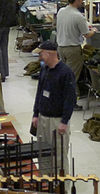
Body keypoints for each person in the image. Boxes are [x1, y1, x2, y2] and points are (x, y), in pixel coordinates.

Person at [32, 41, 77, 174]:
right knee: (43, 154)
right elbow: (39, 93)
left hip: (57, 121)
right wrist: (35, 114)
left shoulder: (66, 72)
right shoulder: (44, 69)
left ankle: (62, 185)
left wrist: (64, 122)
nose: (40, 57)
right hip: (43, 118)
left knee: (59, 156)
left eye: (41, 54)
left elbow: (70, 99)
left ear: (50, 53)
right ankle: (45, 182)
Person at [56, 0, 97, 88]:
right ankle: (69, 95)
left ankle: (62, 93)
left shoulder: (61, 11)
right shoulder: (78, 16)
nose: (82, 1)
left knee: (63, 74)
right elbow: (87, 35)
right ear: (76, 1)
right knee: (71, 77)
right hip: (73, 50)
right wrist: (94, 30)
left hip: (61, 48)